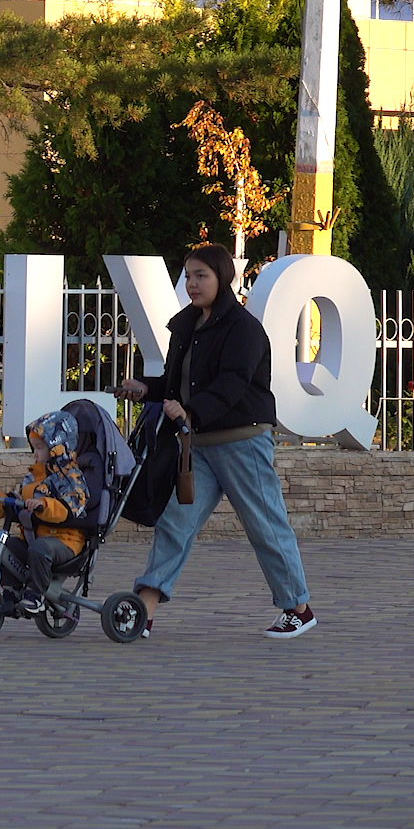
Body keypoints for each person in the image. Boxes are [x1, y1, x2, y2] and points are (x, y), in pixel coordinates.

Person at [112, 243, 316, 640]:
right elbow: (179, 384)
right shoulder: (186, 325)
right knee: (175, 522)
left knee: (265, 525)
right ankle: (144, 609)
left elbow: (232, 384)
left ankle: (298, 608)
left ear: (222, 278)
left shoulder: (243, 329)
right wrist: (146, 388)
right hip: (199, 446)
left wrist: (190, 412)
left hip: (243, 444)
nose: (192, 283)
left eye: (201, 275)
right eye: (188, 275)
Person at [0, 410, 91, 614]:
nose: (35, 454)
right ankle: (12, 591)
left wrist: (43, 506)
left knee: (39, 549)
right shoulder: (34, 476)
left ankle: (35, 595)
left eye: (39, 448)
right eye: (33, 447)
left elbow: (70, 507)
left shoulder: (71, 477)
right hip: (34, 538)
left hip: (66, 541)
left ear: (56, 448)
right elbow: (18, 502)